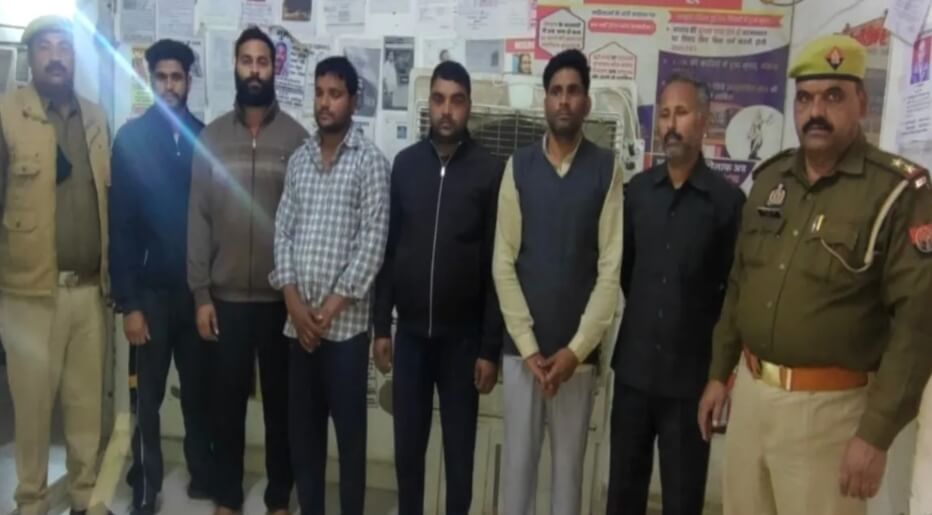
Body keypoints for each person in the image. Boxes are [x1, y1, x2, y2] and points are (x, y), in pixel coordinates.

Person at [698, 34, 932, 515]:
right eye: (804, 99)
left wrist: (876, 434)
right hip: (752, 399)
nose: (815, 112)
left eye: (832, 96)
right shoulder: (771, 180)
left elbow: (918, 324)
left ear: (861, 103)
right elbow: (740, 283)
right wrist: (719, 373)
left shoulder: (895, 192)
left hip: (829, 415)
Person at [606, 75, 744, 515]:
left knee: (683, 500)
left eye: (681, 113)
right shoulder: (637, 193)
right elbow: (625, 272)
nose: (670, 124)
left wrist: (720, 374)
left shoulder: (726, 203)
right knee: (622, 494)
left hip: (690, 382)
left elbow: (733, 290)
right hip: (634, 373)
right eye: (664, 114)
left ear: (703, 121)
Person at [493, 48, 623, 515]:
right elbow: (503, 263)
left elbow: (610, 269)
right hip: (521, 357)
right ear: (544, 100)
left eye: (573, 91)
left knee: (569, 479)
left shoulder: (607, 169)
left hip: (577, 362)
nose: (564, 100)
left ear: (586, 101)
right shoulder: (519, 166)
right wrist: (529, 349)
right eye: (555, 91)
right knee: (517, 476)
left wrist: (576, 350)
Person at [372, 60, 504, 515]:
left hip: (463, 343)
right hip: (410, 337)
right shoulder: (406, 165)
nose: (447, 110)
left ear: (469, 107)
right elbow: (390, 250)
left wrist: (489, 348)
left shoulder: (490, 171)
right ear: (429, 103)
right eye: (439, 99)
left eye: (457, 101)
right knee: (408, 453)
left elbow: (496, 266)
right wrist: (381, 326)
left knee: (459, 458)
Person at [187, 27, 308, 515]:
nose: (254, 70)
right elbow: (198, 218)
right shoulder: (211, 137)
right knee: (226, 406)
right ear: (235, 66)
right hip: (227, 299)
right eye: (246, 61)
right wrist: (200, 294)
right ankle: (228, 496)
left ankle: (279, 496)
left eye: (262, 61)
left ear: (273, 68)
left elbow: (306, 223)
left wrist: (302, 296)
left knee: (282, 408)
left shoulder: (297, 139)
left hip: (282, 302)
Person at [0, 15, 113, 515]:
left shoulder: (95, 116)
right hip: (29, 294)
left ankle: (86, 494)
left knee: (86, 404)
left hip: (89, 290)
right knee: (32, 408)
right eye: (44, 47)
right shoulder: (7, 115)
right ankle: (31, 500)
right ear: (30, 56)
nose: (55, 56)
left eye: (63, 47)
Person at [269, 56, 390, 515]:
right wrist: (294, 304)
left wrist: (327, 310)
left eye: (335, 94)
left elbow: (372, 244)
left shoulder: (370, 162)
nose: (325, 102)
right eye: (319, 93)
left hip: (345, 331)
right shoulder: (299, 160)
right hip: (298, 326)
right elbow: (282, 232)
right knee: (304, 437)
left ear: (353, 102)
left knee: (350, 440)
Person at [110, 39, 212, 515]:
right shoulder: (130, 140)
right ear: (150, 81)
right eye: (162, 77)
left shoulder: (204, 138)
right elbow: (121, 228)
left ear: (189, 81)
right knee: (145, 398)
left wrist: (208, 292)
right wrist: (129, 304)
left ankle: (202, 474)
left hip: (195, 294)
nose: (170, 86)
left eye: (177, 77)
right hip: (149, 296)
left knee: (198, 393)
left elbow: (213, 220)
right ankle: (146, 484)